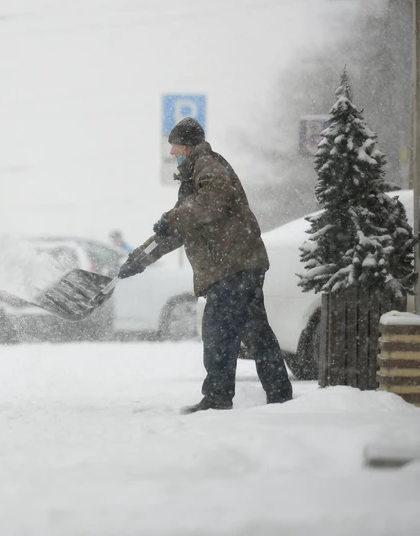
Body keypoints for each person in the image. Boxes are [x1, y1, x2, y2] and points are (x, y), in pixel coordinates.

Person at [117, 117, 292, 414]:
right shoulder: (192, 177)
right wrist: (139, 260)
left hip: (232, 266)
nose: (172, 152)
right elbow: (179, 229)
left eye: (174, 146)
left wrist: (172, 219)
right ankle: (279, 396)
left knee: (218, 332)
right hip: (240, 264)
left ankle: (217, 398)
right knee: (257, 333)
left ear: (186, 144)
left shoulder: (207, 165)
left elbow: (210, 205)